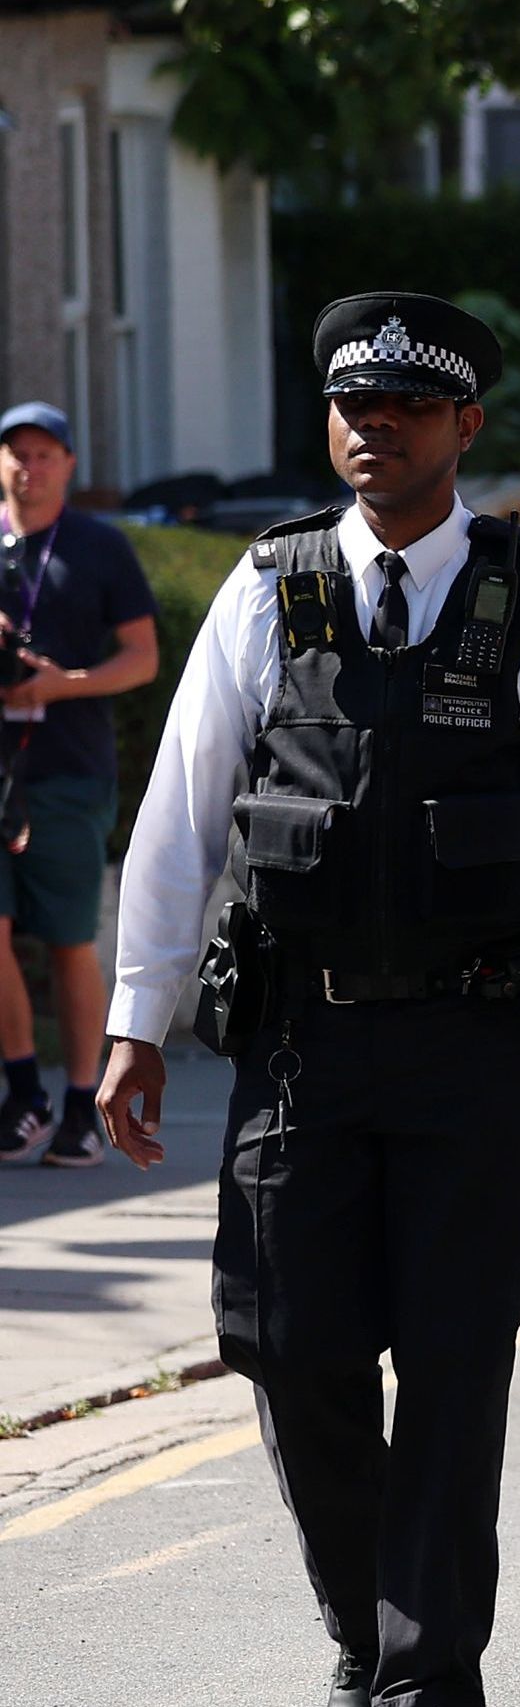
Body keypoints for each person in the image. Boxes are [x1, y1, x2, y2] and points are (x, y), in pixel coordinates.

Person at [90, 294, 520, 1707]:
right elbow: (175, 819)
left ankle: (433, 1702)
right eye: (356, 405)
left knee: (452, 1372)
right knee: (291, 1351)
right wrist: (131, 1022)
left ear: (464, 430)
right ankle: (360, 1632)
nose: (379, 428)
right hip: (296, 1047)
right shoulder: (268, 591)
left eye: (413, 408)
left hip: (473, 1049)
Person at [0, 402, 160, 1168]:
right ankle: (23, 1091)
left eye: (43, 454)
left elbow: (143, 657)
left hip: (67, 770)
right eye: (15, 454)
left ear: (67, 462)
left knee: (68, 941)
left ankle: (78, 1103)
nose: (28, 468)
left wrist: (65, 684)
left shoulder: (97, 547)